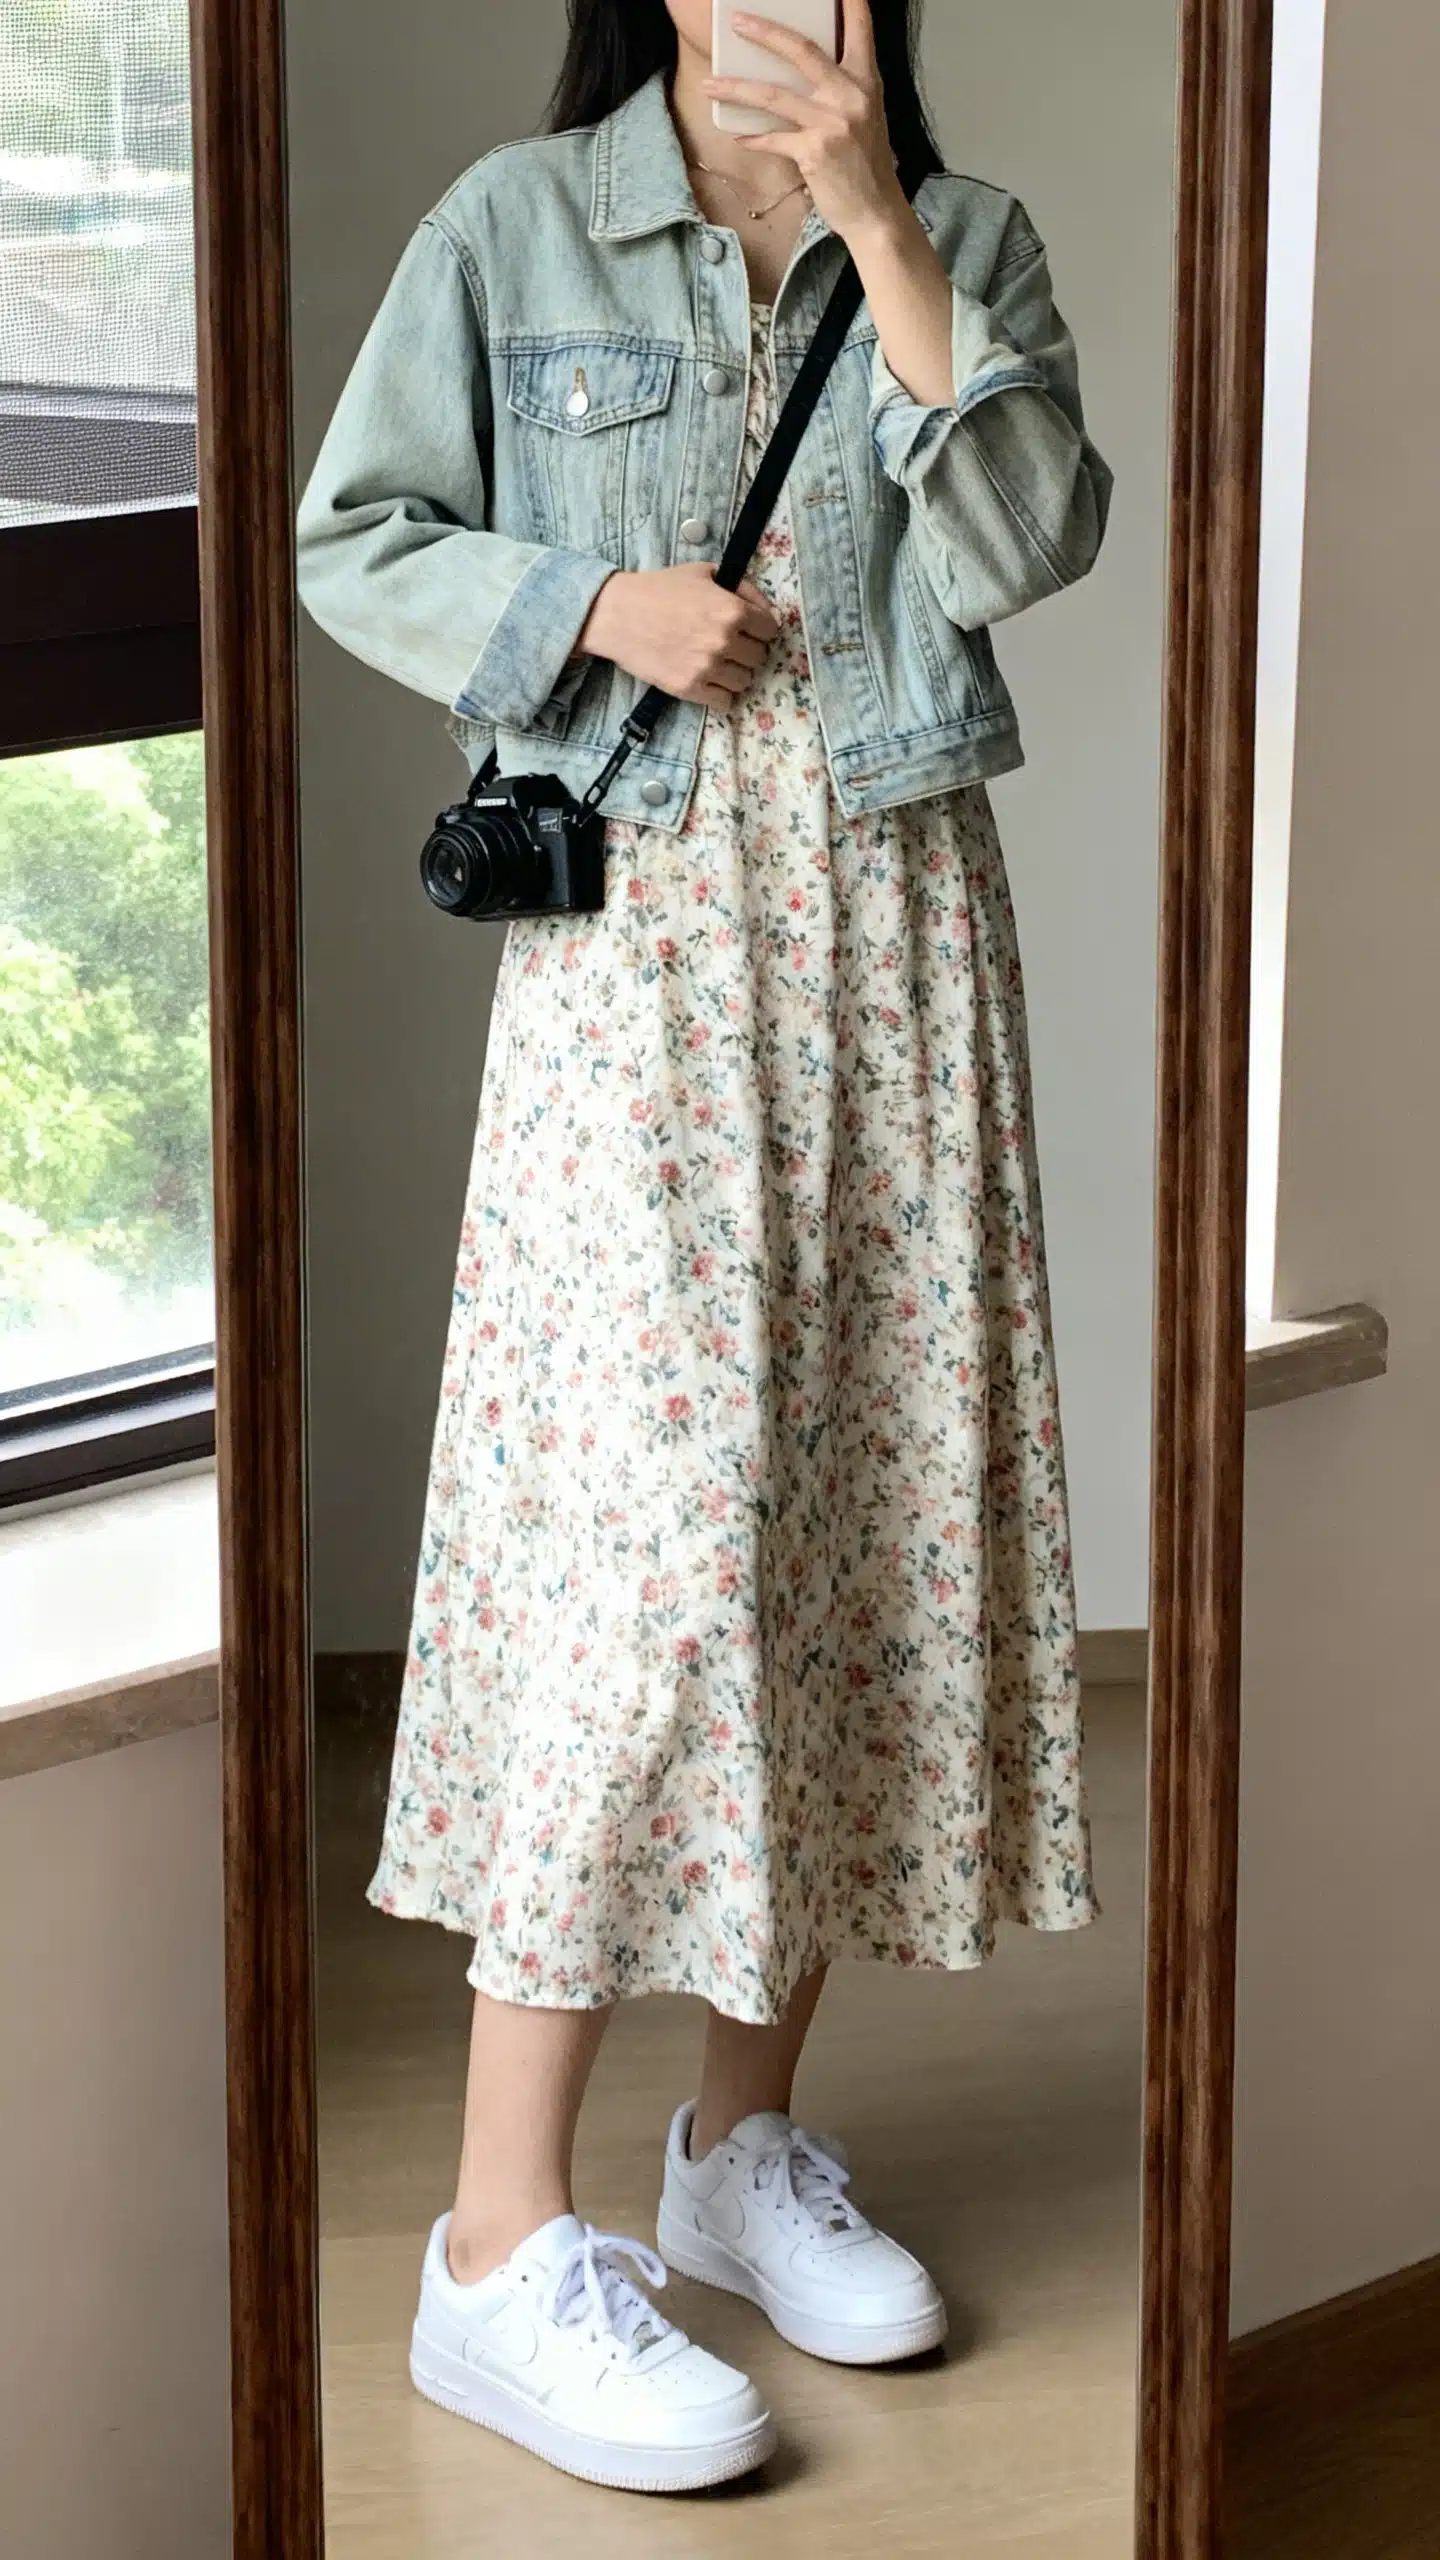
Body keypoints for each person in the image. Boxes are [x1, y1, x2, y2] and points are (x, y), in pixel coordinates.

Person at [296, 0, 1112, 2497]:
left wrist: (878, 227)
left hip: (897, 935)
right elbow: (354, 533)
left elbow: (1028, 540)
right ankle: (490, 2241)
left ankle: (737, 2149)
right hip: (640, 958)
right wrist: (594, 604)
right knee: (645, 1562)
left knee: (845, 1519)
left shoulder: (965, 238)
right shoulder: (515, 227)